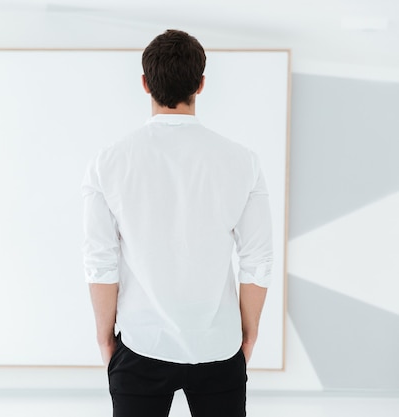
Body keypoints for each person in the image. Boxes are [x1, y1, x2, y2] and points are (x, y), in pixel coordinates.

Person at [81, 29, 273, 417]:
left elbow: (99, 259)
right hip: (218, 343)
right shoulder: (243, 161)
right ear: (200, 85)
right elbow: (258, 258)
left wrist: (105, 338)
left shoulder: (109, 162)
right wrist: (247, 336)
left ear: (145, 83)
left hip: (140, 342)